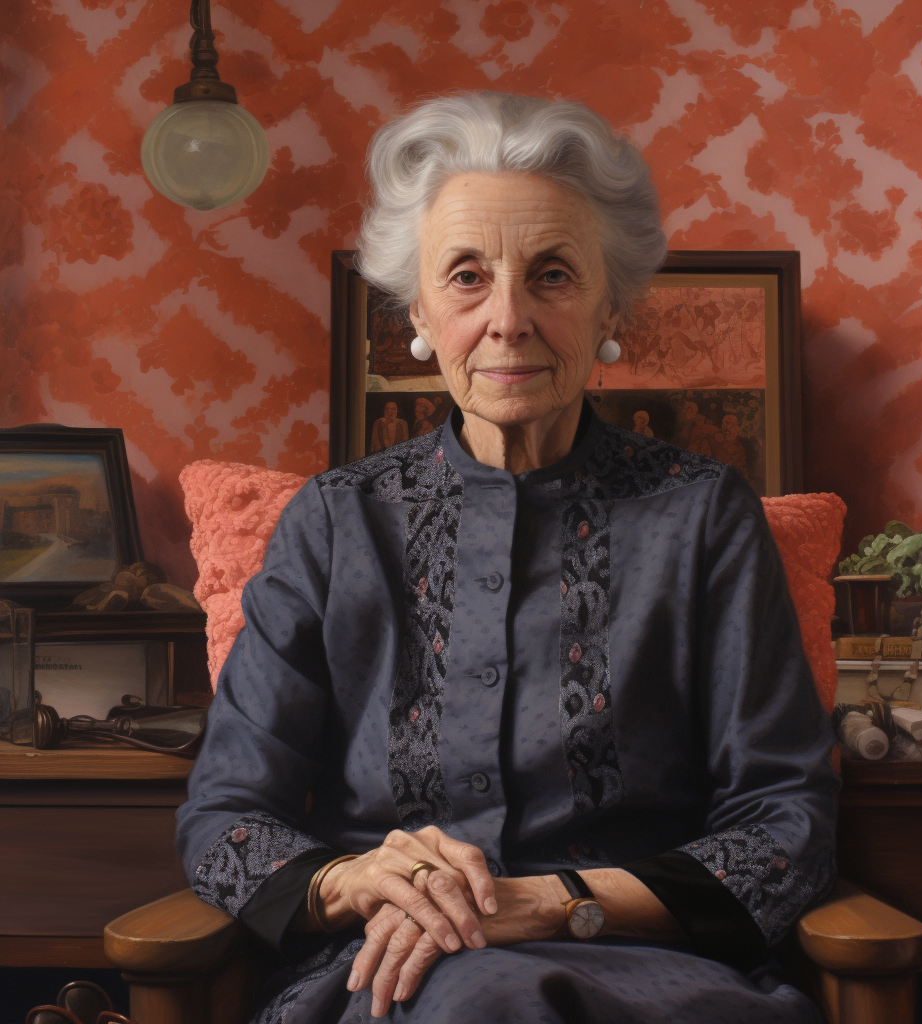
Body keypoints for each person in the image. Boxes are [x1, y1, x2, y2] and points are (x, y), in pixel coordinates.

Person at [177, 91, 839, 1024]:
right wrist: (360, 880)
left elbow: (785, 826)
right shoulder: (336, 524)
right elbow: (224, 818)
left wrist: (550, 903)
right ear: (418, 311)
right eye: (466, 277)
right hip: (391, 974)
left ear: (611, 303)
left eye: (554, 275)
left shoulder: (702, 517)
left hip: (650, 967)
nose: (509, 318)